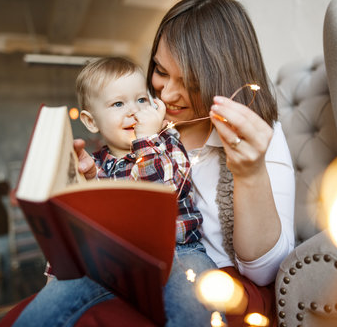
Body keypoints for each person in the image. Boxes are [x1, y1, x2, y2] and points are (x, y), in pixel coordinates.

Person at [11, 0, 295, 327]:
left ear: (223, 79)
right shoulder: (125, 137)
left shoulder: (250, 134)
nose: (167, 95)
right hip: (122, 264)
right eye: (160, 71)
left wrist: (250, 174)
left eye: (190, 83)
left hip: (196, 266)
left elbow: (263, 272)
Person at [14, 57, 220, 326]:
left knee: (197, 309)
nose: (133, 111)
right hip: (113, 261)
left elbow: (159, 197)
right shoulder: (96, 163)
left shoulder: (168, 144)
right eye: (118, 103)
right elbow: (83, 231)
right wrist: (87, 181)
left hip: (179, 252)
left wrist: (146, 140)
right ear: (90, 121)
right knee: (39, 314)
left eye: (141, 100)